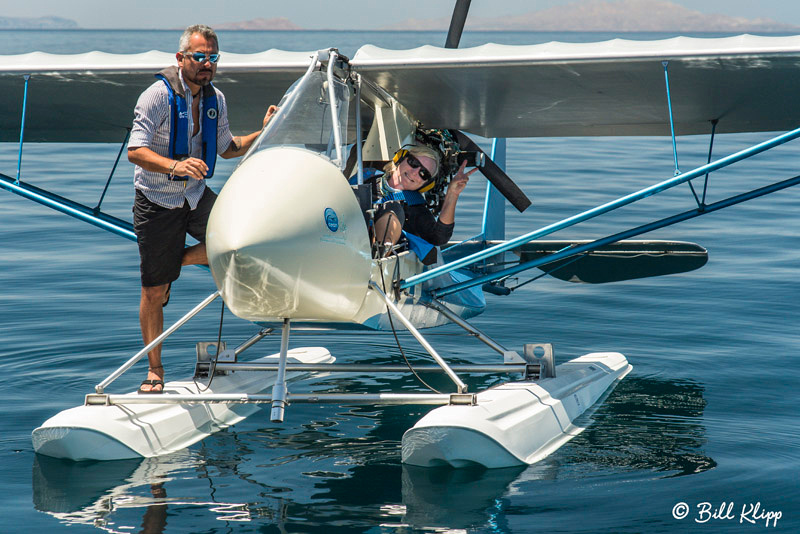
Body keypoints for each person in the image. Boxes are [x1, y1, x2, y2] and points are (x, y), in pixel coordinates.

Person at [128, 24, 276, 393]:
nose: (206, 64)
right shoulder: (156, 97)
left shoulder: (216, 99)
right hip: (157, 201)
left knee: (245, 239)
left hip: (195, 196)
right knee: (153, 293)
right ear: (181, 58)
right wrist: (175, 165)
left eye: (213, 57)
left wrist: (264, 131)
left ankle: (171, 263)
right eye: (199, 57)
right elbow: (136, 150)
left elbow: (228, 147)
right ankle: (155, 370)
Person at [371, 145, 477, 261]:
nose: (415, 172)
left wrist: (452, 193)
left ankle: (380, 252)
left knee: (392, 209)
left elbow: (439, 237)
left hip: (372, 262)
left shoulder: (415, 208)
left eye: (424, 174)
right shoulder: (366, 178)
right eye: (414, 163)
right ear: (400, 158)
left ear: (425, 185)